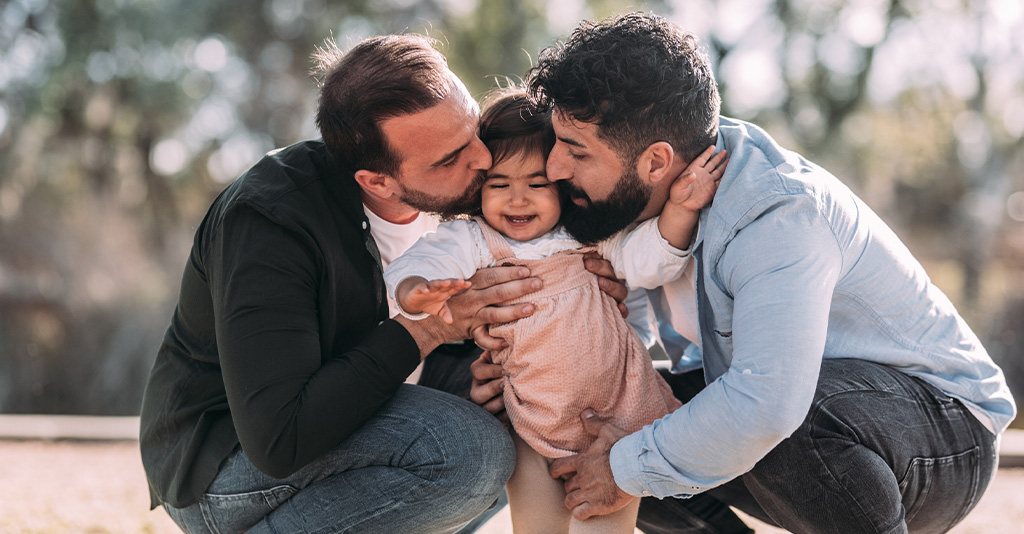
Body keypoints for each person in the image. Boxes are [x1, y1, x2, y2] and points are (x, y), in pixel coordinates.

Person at [469, 11, 1016, 534]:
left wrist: (623, 464)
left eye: (574, 151)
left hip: (941, 435)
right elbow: (627, 359)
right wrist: (538, 368)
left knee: (721, 432)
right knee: (608, 422)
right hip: (794, 409)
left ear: (656, 161)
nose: (555, 169)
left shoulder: (778, 211)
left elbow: (770, 402)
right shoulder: (612, 200)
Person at [139, 33, 571, 534]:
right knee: (469, 450)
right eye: (450, 158)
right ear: (377, 182)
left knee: (527, 412)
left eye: (472, 128)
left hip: (361, 422)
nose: (481, 158)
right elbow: (281, 439)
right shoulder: (269, 220)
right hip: (222, 463)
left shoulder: (470, 189)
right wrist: (427, 330)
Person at [384, 88, 726, 533]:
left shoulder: (587, 234)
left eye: (537, 184)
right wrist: (416, 292)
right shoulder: (476, 240)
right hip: (532, 422)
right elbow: (419, 263)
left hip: (617, 420)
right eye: (499, 184)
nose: (518, 200)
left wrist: (680, 208)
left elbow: (650, 259)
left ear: (562, 185)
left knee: (604, 526)